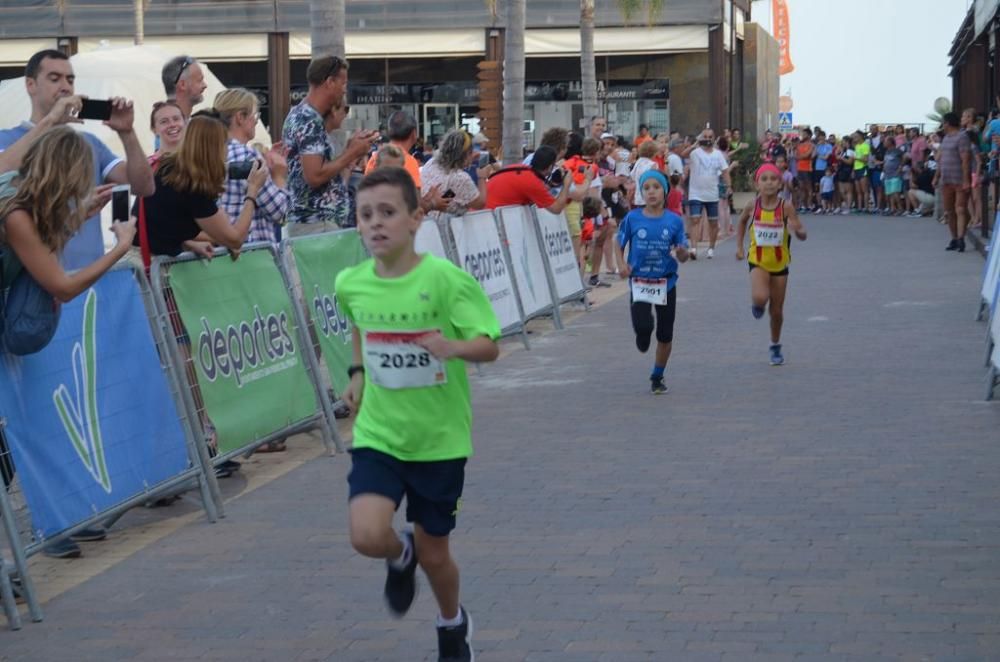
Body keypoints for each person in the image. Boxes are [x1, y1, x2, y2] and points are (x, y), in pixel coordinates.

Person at [335, 166, 500, 662]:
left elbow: (488, 346)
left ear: (414, 219)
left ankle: (452, 623)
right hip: (380, 434)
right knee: (366, 535)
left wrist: (451, 347)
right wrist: (358, 372)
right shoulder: (352, 282)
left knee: (436, 555)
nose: (376, 224)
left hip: (439, 440)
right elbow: (361, 326)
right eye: (366, 215)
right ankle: (396, 552)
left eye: (388, 212)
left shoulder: (445, 280)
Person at [0, 127, 136, 556]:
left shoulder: (19, 200)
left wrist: (78, 218)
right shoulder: (14, 211)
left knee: (5, 454)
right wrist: (120, 248)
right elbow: (60, 284)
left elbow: (39, 250)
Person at [0, 49, 155, 271]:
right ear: (30, 85)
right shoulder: (7, 139)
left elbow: (145, 186)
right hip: (35, 286)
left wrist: (127, 133)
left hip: (88, 283)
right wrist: (51, 121)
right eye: (54, 79)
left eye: (70, 80)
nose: (65, 86)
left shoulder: (88, 143)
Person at [135, 115, 267, 258]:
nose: (227, 151)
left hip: (139, 257)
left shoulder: (169, 168)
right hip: (148, 266)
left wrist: (189, 243)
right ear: (214, 149)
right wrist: (253, 190)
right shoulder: (193, 186)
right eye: (225, 144)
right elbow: (235, 239)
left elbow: (164, 222)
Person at [282, 55, 379, 234]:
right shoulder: (309, 120)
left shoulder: (302, 115)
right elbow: (315, 176)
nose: (344, 91)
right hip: (316, 225)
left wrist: (352, 151)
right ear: (329, 82)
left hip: (314, 223)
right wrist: (351, 152)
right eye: (343, 84)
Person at [615, 170, 689, 394]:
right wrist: (621, 265)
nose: (651, 192)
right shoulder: (632, 218)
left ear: (664, 191)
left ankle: (657, 375)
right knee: (644, 329)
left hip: (666, 283)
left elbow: (683, 254)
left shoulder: (674, 221)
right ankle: (642, 335)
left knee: (665, 335)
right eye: (646, 188)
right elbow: (616, 242)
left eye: (656, 187)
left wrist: (682, 251)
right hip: (639, 282)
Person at [735, 164, 807, 367]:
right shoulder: (752, 205)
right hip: (757, 260)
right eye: (764, 179)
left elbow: (802, 233)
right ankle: (757, 304)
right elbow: (741, 223)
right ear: (757, 184)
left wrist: (797, 230)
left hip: (780, 263)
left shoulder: (786, 207)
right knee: (760, 297)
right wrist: (740, 247)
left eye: (773, 179)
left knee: (776, 311)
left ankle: (775, 344)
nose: (768, 183)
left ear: (780, 183)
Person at [215, 88, 290, 245]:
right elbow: (281, 212)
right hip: (252, 252)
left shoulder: (212, 151)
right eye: (256, 115)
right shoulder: (249, 156)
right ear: (240, 117)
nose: (257, 121)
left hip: (221, 251)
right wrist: (278, 175)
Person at [683, 127, 730, 259]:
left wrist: (729, 185)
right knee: (695, 219)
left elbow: (725, 171)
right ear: (702, 137)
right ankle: (693, 248)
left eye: (710, 137)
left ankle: (711, 248)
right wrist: (695, 143)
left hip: (712, 194)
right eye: (705, 136)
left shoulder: (718, 154)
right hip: (695, 193)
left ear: (714, 138)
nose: (708, 139)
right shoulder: (695, 152)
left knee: (713, 223)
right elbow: (683, 154)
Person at [484, 145, 570, 213]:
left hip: (483, 212)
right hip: (490, 218)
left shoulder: (520, 168)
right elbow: (556, 209)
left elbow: (533, 192)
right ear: (550, 166)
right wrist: (567, 184)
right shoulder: (532, 182)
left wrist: (552, 183)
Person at [420, 129, 487, 215]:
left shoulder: (432, 163)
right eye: (470, 152)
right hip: (446, 225)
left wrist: (467, 159)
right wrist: (482, 176)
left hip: (426, 222)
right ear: (465, 154)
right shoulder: (460, 178)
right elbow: (480, 203)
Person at [934, 112, 973, 252]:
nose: (942, 125)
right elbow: (941, 160)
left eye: (943, 123)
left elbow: (965, 159)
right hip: (946, 180)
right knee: (949, 211)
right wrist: (936, 176)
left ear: (948, 123)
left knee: (960, 208)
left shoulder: (962, 137)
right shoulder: (945, 139)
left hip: (959, 179)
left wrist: (966, 179)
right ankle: (954, 238)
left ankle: (961, 238)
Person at [161, 55, 208, 119]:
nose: (205, 85)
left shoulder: (161, 122)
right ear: (183, 85)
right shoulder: (173, 127)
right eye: (199, 80)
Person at [149, 100, 186, 165]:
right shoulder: (148, 167)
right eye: (164, 121)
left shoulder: (201, 159)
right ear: (154, 130)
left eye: (176, 119)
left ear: (185, 123)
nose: (172, 124)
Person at [794, 127, 816, 212]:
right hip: (800, 168)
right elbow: (796, 156)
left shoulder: (811, 145)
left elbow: (808, 155)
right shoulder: (799, 145)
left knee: (809, 188)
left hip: (808, 169)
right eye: (802, 134)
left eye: (804, 134)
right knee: (801, 187)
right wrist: (802, 156)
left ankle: (810, 205)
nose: (802, 135)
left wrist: (802, 156)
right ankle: (803, 205)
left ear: (809, 135)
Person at [882, 136, 904, 215]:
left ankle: (900, 209)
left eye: (885, 141)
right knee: (889, 193)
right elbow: (885, 161)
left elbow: (904, 158)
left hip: (895, 174)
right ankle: (892, 209)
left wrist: (900, 168)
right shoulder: (887, 151)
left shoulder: (897, 151)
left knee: (895, 192)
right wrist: (883, 168)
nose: (884, 143)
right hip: (887, 174)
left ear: (890, 142)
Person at [852, 130, 871, 212]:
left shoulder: (865, 146)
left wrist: (856, 158)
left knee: (865, 190)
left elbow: (866, 159)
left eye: (856, 136)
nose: (854, 138)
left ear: (860, 136)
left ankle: (866, 208)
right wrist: (853, 170)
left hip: (863, 168)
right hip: (856, 169)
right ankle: (859, 208)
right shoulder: (856, 146)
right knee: (858, 191)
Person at [836, 136, 856, 214]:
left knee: (848, 191)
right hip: (841, 171)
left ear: (847, 141)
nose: (842, 142)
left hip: (848, 171)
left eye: (843, 141)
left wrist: (841, 158)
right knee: (841, 191)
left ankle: (848, 207)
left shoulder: (851, 150)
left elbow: (850, 162)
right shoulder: (844, 151)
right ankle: (848, 204)